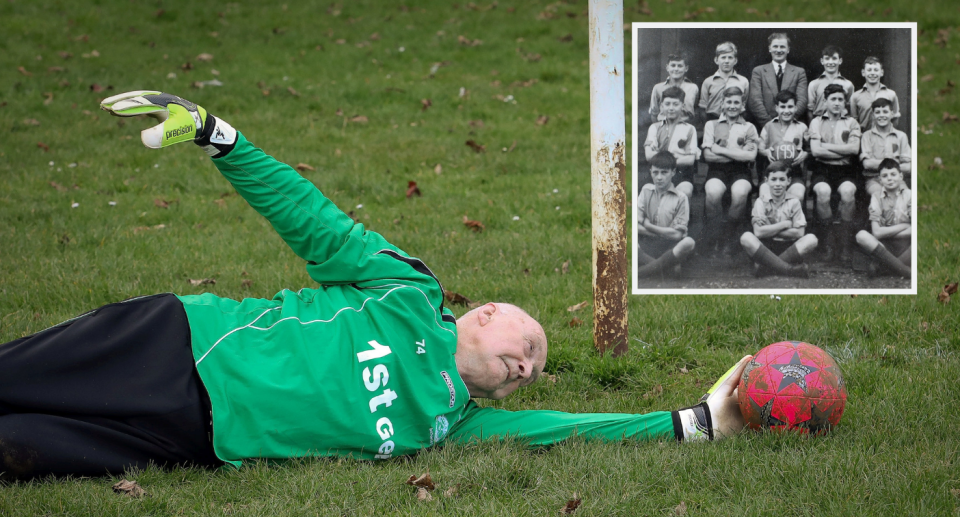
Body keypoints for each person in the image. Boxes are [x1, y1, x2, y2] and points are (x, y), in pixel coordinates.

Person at [0, 91, 752, 480]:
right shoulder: (406, 289)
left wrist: (694, 422)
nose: (526, 368)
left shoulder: (451, 423)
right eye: (526, 345)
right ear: (483, 313)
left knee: (21, 446)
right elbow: (313, 221)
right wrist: (219, 135)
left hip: (195, 436)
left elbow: (571, 429)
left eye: (530, 373)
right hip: (180, 345)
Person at [700, 87, 759, 255]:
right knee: (713, 192)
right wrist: (738, 154)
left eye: (736, 103)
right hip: (717, 170)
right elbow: (708, 156)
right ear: (723, 104)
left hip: (741, 171)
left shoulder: (749, 127)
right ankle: (715, 236)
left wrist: (720, 150)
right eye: (729, 102)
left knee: (740, 193)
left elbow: (751, 156)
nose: (732, 106)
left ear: (742, 106)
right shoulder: (711, 125)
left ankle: (728, 236)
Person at [808, 84, 862, 263]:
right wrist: (842, 150)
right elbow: (815, 152)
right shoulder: (816, 121)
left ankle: (845, 242)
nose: (837, 103)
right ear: (825, 101)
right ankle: (828, 240)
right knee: (822, 192)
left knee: (848, 193)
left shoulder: (851, 122)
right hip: (822, 169)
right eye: (833, 99)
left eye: (840, 99)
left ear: (845, 101)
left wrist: (825, 146)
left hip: (845, 170)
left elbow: (854, 149)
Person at [740, 161, 817, 278]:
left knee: (811, 239)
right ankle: (789, 270)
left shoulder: (794, 202)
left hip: (789, 247)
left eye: (782, 179)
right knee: (746, 237)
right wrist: (785, 224)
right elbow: (758, 232)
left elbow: (799, 233)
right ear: (767, 181)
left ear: (788, 181)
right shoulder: (760, 202)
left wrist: (769, 228)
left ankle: (765, 268)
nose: (777, 184)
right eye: (774, 179)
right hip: (765, 247)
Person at [636, 151, 696, 278]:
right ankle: (666, 269)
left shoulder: (681, 198)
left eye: (664, 173)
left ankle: (644, 271)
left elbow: (677, 234)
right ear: (650, 171)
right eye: (655, 172)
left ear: (673, 172)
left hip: (669, 246)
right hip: (648, 244)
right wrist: (663, 232)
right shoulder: (646, 190)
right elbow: (636, 227)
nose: (659, 177)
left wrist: (649, 226)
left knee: (688, 242)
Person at [855, 159, 911, 278]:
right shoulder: (876, 197)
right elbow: (876, 233)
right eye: (885, 176)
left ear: (901, 176)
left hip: (906, 247)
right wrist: (904, 226)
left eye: (893, 174)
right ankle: (904, 271)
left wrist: (887, 233)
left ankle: (883, 267)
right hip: (886, 247)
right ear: (880, 180)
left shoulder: (909, 195)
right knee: (861, 235)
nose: (889, 178)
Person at [643, 86, 700, 200]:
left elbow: (689, 160)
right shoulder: (654, 127)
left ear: (682, 106)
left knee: (684, 191)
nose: (671, 108)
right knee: (648, 193)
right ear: (661, 106)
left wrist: (661, 155)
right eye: (667, 104)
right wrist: (677, 156)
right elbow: (649, 156)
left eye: (675, 104)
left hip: (681, 174)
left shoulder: (690, 129)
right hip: (658, 173)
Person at [748, 32, 809, 129]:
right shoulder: (758, 71)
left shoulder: (799, 72)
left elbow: (802, 100)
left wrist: (787, 122)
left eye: (782, 47)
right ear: (769, 48)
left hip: (792, 126)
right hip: (766, 126)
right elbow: (755, 101)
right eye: (775, 46)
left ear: (788, 49)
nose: (778, 50)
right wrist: (770, 125)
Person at [757, 90, 809, 201]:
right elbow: (760, 148)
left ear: (795, 108)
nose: (786, 111)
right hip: (772, 172)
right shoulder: (768, 126)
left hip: (793, 172)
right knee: (766, 196)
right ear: (777, 108)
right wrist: (766, 152)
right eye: (783, 107)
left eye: (790, 107)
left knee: (797, 195)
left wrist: (805, 154)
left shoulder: (802, 127)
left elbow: (809, 149)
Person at [859, 97, 911, 197]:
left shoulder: (901, 136)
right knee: (881, 195)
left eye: (885, 112)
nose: (881, 115)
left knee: (907, 196)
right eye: (878, 112)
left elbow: (908, 167)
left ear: (892, 114)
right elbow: (867, 164)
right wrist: (894, 163)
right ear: (873, 115)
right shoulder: (867, 136)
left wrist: (879, 164)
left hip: (896, 180)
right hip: (874, 180)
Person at [699, 42, 750, 122]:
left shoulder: (743, 81)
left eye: (730, 58)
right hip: (713, 120)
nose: (726, 61)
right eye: (723, 57)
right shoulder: (708, 81)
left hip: (735, 120)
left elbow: (744, 105)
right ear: (716, 60)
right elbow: (703, 108)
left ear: (735, 60)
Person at [849, 56, 901, 132]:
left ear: (882, 72)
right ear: (863, 72)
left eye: (876, 70)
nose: (872, 73)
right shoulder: (855, 96)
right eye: (869, 70)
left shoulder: (891, 94)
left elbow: (895, 118)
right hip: (864, 138)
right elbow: (854, 122)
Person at [648, 53, 699, 125]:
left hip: (685, 127)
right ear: (667, 67)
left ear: (686, 68)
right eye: (673, 65)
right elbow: (654, 113)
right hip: (664, 127)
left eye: (680, 66)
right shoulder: (658, 88)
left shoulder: (693, 88)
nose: (676, 69)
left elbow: (695, 111)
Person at [807, 45, 855, 121]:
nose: (830, 62)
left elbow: (850, 110)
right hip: (820, 123)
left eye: (834, 58)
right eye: (827, 59)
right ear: (822, 61)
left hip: (841, 123)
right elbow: (810, 110)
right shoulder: (814, 84)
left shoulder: (848, 84)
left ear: (840, 61)